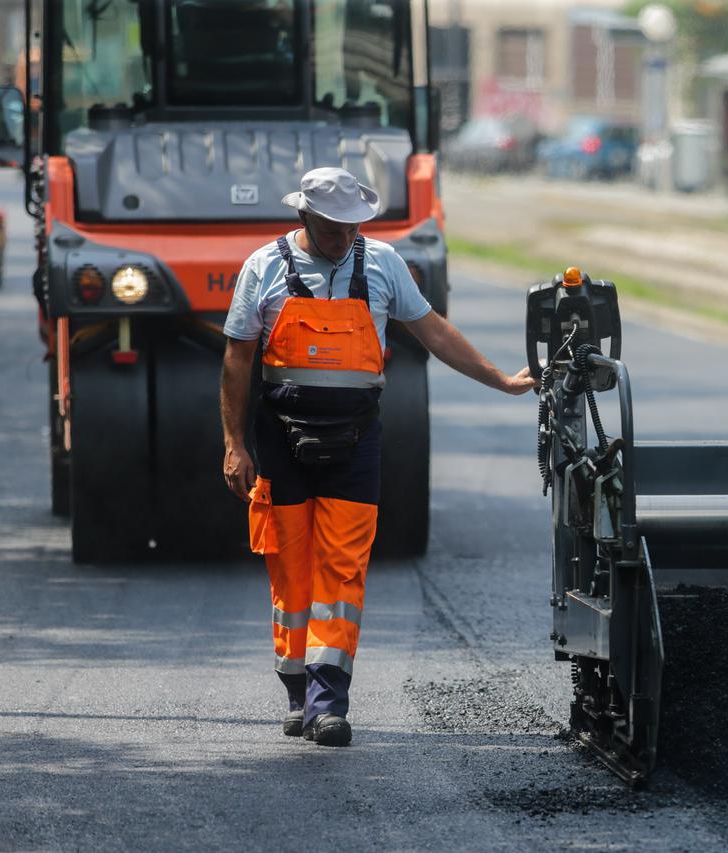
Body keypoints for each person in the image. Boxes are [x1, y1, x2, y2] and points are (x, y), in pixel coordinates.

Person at [220, 167, 534, 747]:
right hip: (280, 442)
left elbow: (434, 332)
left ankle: (328, 700)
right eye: (332, 227)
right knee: (291, 569)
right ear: (304, 217)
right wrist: (235, 445)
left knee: (343, 568)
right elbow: (238, 360)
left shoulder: (384, 265)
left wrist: (500, 380)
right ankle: (297, 688)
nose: (343, 238)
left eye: (351, 227)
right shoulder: (262, 267)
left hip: (356, 441)